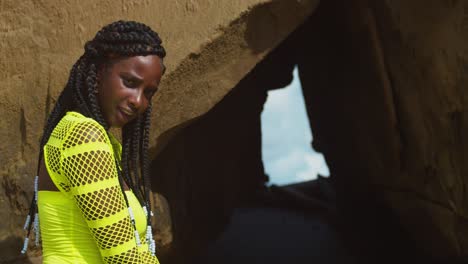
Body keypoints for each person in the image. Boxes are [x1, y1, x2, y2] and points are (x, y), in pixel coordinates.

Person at [20, 20, 166, 263]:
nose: (138, 101)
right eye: (129, 82)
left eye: (148, 92)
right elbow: (123, 259)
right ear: (99, 72)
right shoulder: (83, 136)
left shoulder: (98, 140)